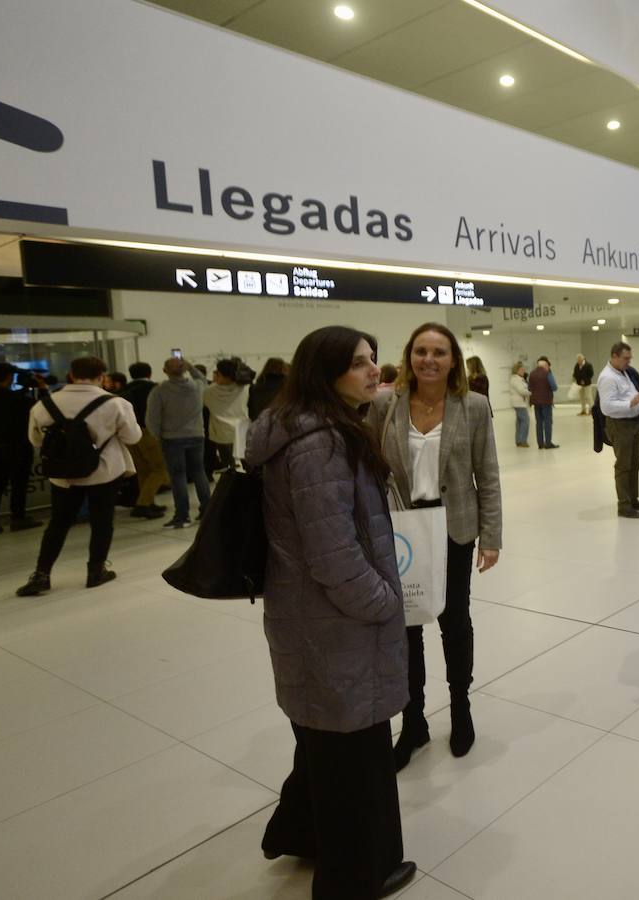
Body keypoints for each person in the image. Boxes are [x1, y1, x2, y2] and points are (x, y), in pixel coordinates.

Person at [246, 326, 417, 900]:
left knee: (322, 744)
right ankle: (354, 879)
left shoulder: (305, 426)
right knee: (355, 761)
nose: (375, 371)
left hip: (310, 621)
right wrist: (383, 602)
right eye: (361, 364)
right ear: (326, 373)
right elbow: (334, 553)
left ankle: (299, 833)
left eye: (374, 360)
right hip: (337, 626)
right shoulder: (320, 442)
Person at [368, 323, 502, 768]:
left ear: (453, 361)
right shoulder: (385, 404)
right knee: (406, 626)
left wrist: (492, 537)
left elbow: (488, 475)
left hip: (453, 528)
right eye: (421, 351)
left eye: (439, 353)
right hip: (401, 529)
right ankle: (413, 721)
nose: (429, 360)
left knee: (454, 621)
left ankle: (460, 706)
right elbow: (367, 468)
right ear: (409, 356)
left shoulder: (474, 406)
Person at [15, 356, 141, 597]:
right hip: (105, 471)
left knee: (59, 523)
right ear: (101, 376)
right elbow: (132, 438)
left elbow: (36, 441)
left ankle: (41, 574)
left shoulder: (45, 404)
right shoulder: (115, 403)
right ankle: (96, 571)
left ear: (71, 375)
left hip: (64, 475)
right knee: (102, 522)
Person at [0, 363, 45, 536]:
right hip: (18, 446)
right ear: (9, 377)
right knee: (19, 484)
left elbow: (3, 398)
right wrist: (40, 388)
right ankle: (18, 518)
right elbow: (41, 408)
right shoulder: (19, 400)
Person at [147, 356, 211, 529]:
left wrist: (158, 436)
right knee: (199, 473)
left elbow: (152, 418)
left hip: (172, 438)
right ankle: (207, 510)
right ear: (184, 370)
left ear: (164, 371)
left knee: (178, 477)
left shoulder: (159, 391)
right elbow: (203, 379)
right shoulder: (197, 387)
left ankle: (182, 516)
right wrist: (190, 366)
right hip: (197, 436)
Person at [597, 341, 639, 519]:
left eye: (630, 358)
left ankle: (633, 498)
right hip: (620, 425)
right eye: (625, 358)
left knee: (635, 462)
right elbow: (606, 406)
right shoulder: (607, 377)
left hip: (632, 423)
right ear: (614, 356)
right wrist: (631, 403)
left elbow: (629, 394)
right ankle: (624, 505)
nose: (629, 362)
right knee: (623, 465)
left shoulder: (624, 373)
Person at [121, 362, 169, 519]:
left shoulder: (123, 390)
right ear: (149, 373)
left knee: (143, 470)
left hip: (129, 433)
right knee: (160, 470)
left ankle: (148, 502)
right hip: (148, 432)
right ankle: (142, 505)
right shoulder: (155, 389)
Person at [204, 357, 250, 473]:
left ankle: (232, 488)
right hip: (242, 430)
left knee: (229, 467)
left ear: (221, 374)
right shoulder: (244, 388)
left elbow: (204, 404)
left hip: (222, 433)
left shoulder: (209, 392)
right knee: (248, 463)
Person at [527, 357, 558, 449]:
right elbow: (554, 387)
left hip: (536, 402)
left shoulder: (531, 374)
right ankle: (548, 443)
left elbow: (529, 388)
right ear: (545, 366)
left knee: (539, 423)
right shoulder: (547, 374)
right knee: (547, 422)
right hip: (546, 401)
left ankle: (540, 444)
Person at [508, 361, 531, 448]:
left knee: (519, 422)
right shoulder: (516, 379)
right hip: (519, 403)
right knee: (525, 421)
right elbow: (522, 390)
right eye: (521, 369)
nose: (523, 370)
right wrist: (531, 392)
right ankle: (522, 440)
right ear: (516, 370)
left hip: (519, 403)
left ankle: (518, 440)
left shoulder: (517, 378)